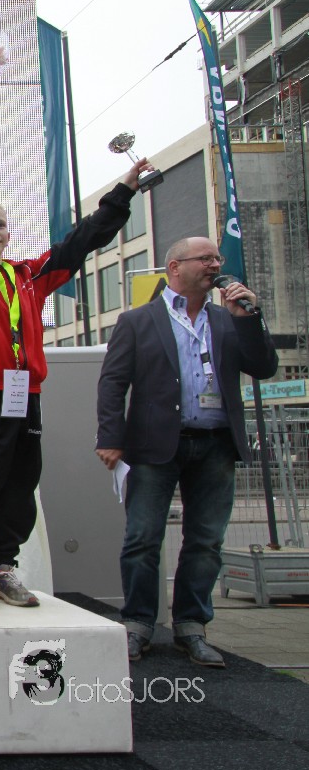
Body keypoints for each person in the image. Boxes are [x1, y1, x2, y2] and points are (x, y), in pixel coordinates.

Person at [0, 127, 150, 608]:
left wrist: (124, 192)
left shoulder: (30, 275)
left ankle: (2, 566)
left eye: (1, 225)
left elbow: (81, 241)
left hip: (27, 392)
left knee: (21, 482)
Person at [96, 236, 277, 668]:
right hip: (154, 445)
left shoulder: (229, 319)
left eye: (217, 258)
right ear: (175, 267)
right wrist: (110, 436)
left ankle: (192, 626)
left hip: (215, 444)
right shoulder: (137, 321)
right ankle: (138, 624)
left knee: (206, 541)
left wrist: (249, 319)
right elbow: (113, 383)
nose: (215, 264)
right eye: (205, 258)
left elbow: (264, 367)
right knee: (143, 538)